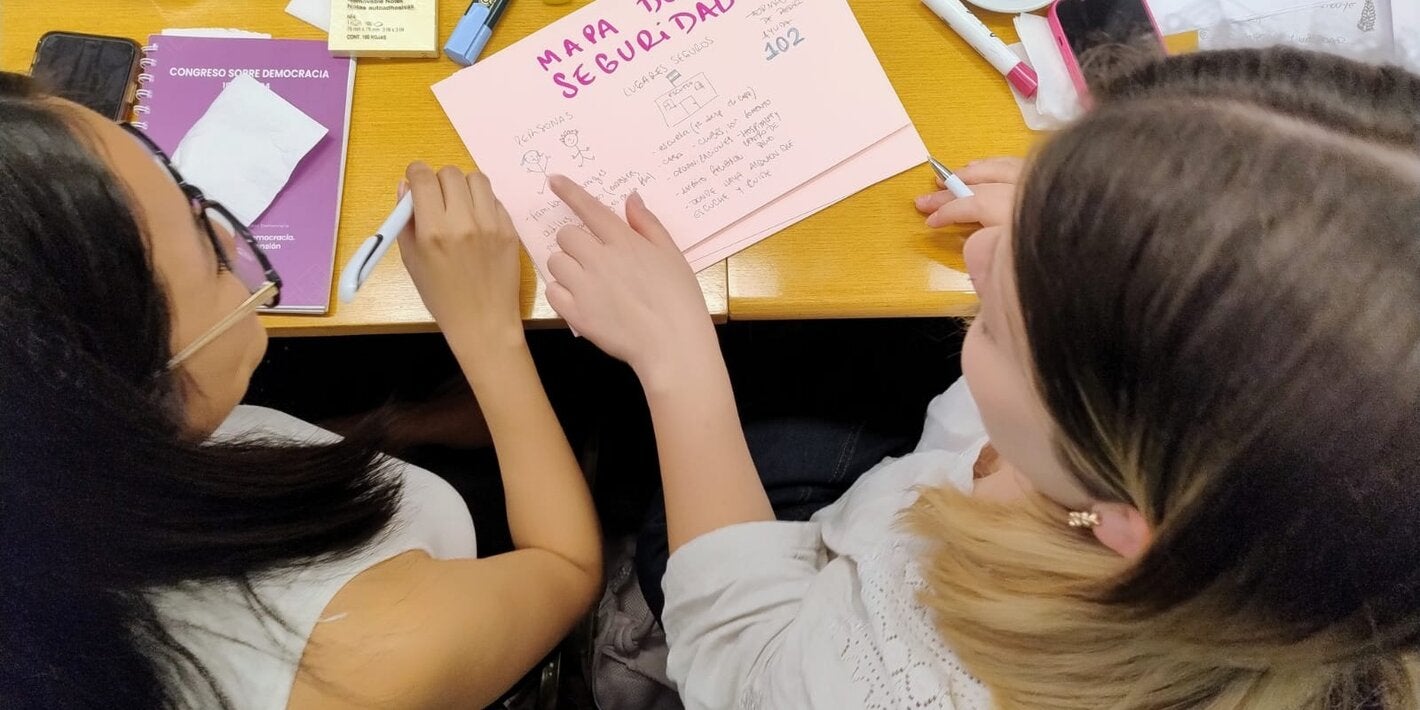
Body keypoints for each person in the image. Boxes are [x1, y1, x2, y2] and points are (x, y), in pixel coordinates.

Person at [541, 46, 1420, 709]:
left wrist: (677, 368)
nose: (981, 247)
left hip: (794, 597)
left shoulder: (910, 677)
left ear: (1124, 519)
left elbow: (741, 661)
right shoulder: (1306, 499)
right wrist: (1099, 224)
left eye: (997, 322)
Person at [0, 71, 601, 708]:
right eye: (205, 240)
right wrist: (488, 333)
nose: (229, 236)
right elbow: (567, 567)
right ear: (131, 387)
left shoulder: (61, 468)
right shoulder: (358, 665)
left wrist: (404, 423)